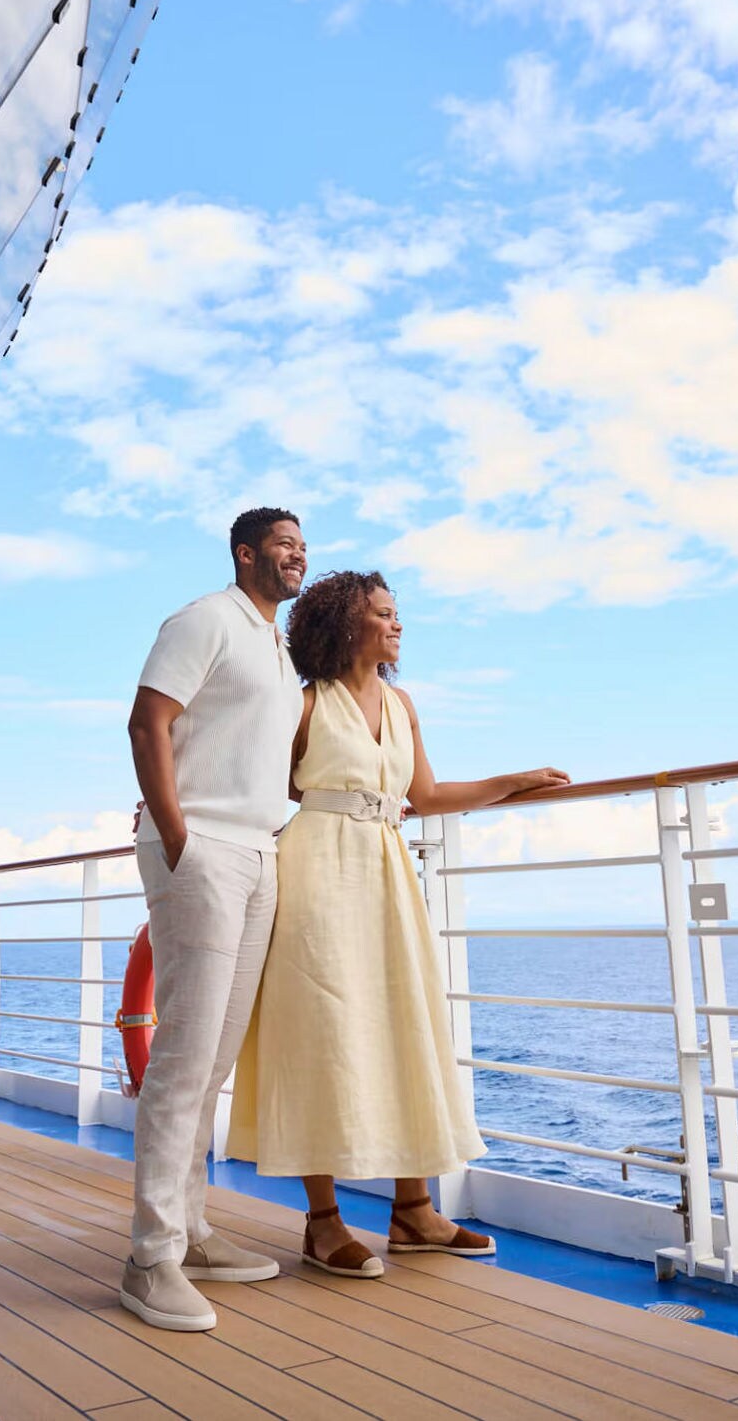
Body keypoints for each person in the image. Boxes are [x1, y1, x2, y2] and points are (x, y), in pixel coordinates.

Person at [228, 570, 570, 1276]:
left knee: (403, 1021)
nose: (397, 624)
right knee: (321, 1031)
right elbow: (267, 788)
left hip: (387, 873)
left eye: (396, 613)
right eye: (383, 614)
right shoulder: (303, 707)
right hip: (318, 871)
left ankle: (413, 1210)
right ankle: (322, 1222)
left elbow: (429, 793)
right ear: (345, 624)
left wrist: (515, 780)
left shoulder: (402, 701)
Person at [119, 508, 307, 1332]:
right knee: (185, 1055)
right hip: (202, 849)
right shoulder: (204, 619)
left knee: (215, 1057)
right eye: (284, 542)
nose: (298, 553)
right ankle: (150, 1255)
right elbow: (146, 719)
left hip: (260, 853)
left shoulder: (281, 647)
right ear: (245, 552)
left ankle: (192, 1231)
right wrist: (176, 833)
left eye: (304, 542)